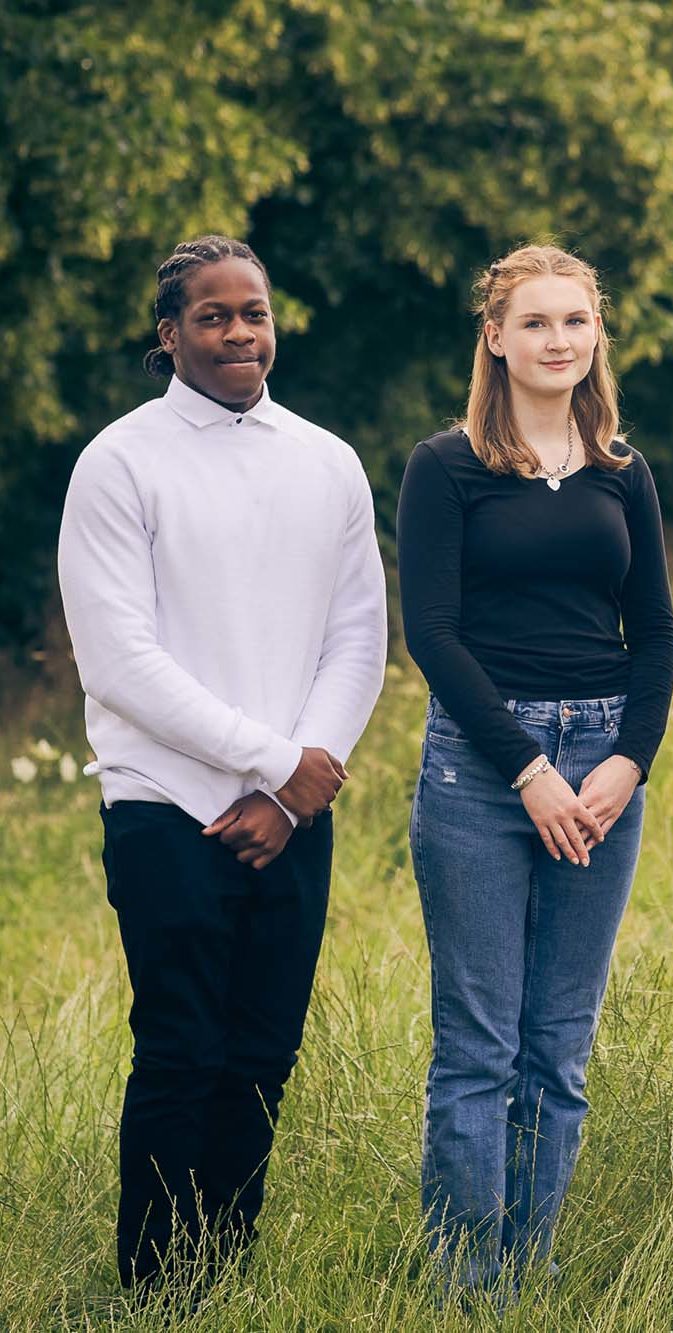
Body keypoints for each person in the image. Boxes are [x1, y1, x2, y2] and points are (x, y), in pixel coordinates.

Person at [57, 235, 386, 1295]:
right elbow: (121, 660)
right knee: (182, 1051)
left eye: (254, 312)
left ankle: (224, 1272)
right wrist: (273, 763)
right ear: (170, 335)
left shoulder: (327, 460)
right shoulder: (120, 461)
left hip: (292, 812)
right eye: (213, 315)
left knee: (261, 1056)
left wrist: (297, 788)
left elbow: (357, 638)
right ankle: (155, 1289)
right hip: (165, 806)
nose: (240, 332)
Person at [397, 244, 673, 1290]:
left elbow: (653, 631)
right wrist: (526, 768)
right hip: (484, 769)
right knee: (478, 1046)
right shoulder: (447, 464)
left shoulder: (623, 469)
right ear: (495, 338)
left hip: (602, 764)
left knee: (558, 1049)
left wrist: (628, 764)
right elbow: (431, 632)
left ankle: (531, 1270)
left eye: (576, 321)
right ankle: (469, 1286)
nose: (559, 339)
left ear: (597, 334)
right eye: (537, 322)